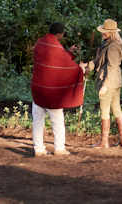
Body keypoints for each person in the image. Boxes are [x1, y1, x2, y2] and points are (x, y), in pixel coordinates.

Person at [28, 21, 85, 156]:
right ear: (60, 34)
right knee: (57, 120)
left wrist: (68, 53)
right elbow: (64, 65)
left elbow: (55, 62)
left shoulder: (41, 43)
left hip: (38, 89)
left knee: (37, 121)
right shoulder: (55, 46)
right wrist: (80, 69)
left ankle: (39, 150)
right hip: (52, 92)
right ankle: (59, 148)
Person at [89, 17, 122, 150]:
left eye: (104, 31)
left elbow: (112, 67)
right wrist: (86, 66)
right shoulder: (108, 44)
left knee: (105, 111)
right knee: (116, 109)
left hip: (109, 82)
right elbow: (98, 62)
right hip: (115, 82)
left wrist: (105, 86)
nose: (102, 33)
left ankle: (104, 142)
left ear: (110, 32)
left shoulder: (113, 46)